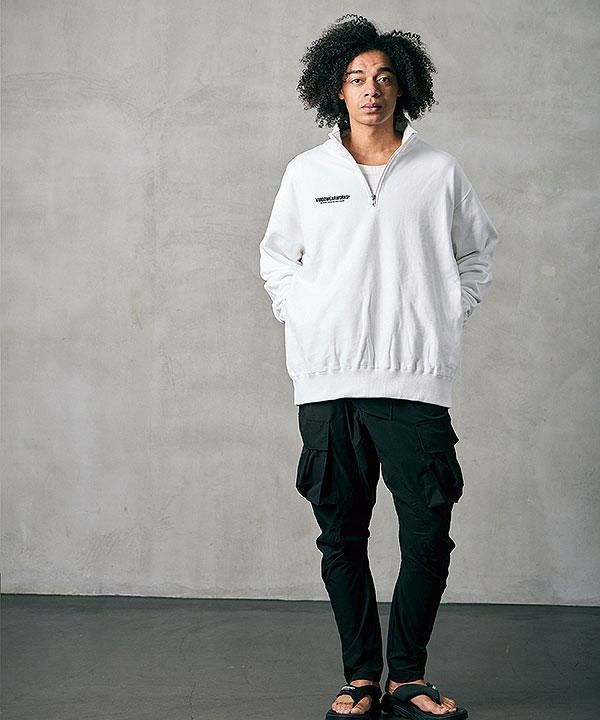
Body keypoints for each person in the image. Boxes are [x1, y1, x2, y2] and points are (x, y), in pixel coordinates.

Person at [259, 14, 498, 720]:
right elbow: (276, 260)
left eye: (384, 78)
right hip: (328, 381)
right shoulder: (307, 174)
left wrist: (447, 312)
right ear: (336, 89)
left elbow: (477, 252)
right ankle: (362, 676)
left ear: (403, 88)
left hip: (414, 380)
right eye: (357, 78)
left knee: (427, 533)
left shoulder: (438, 171)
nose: (371, 90)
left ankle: (408, 677)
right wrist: (306, 315)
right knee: (342, 535)